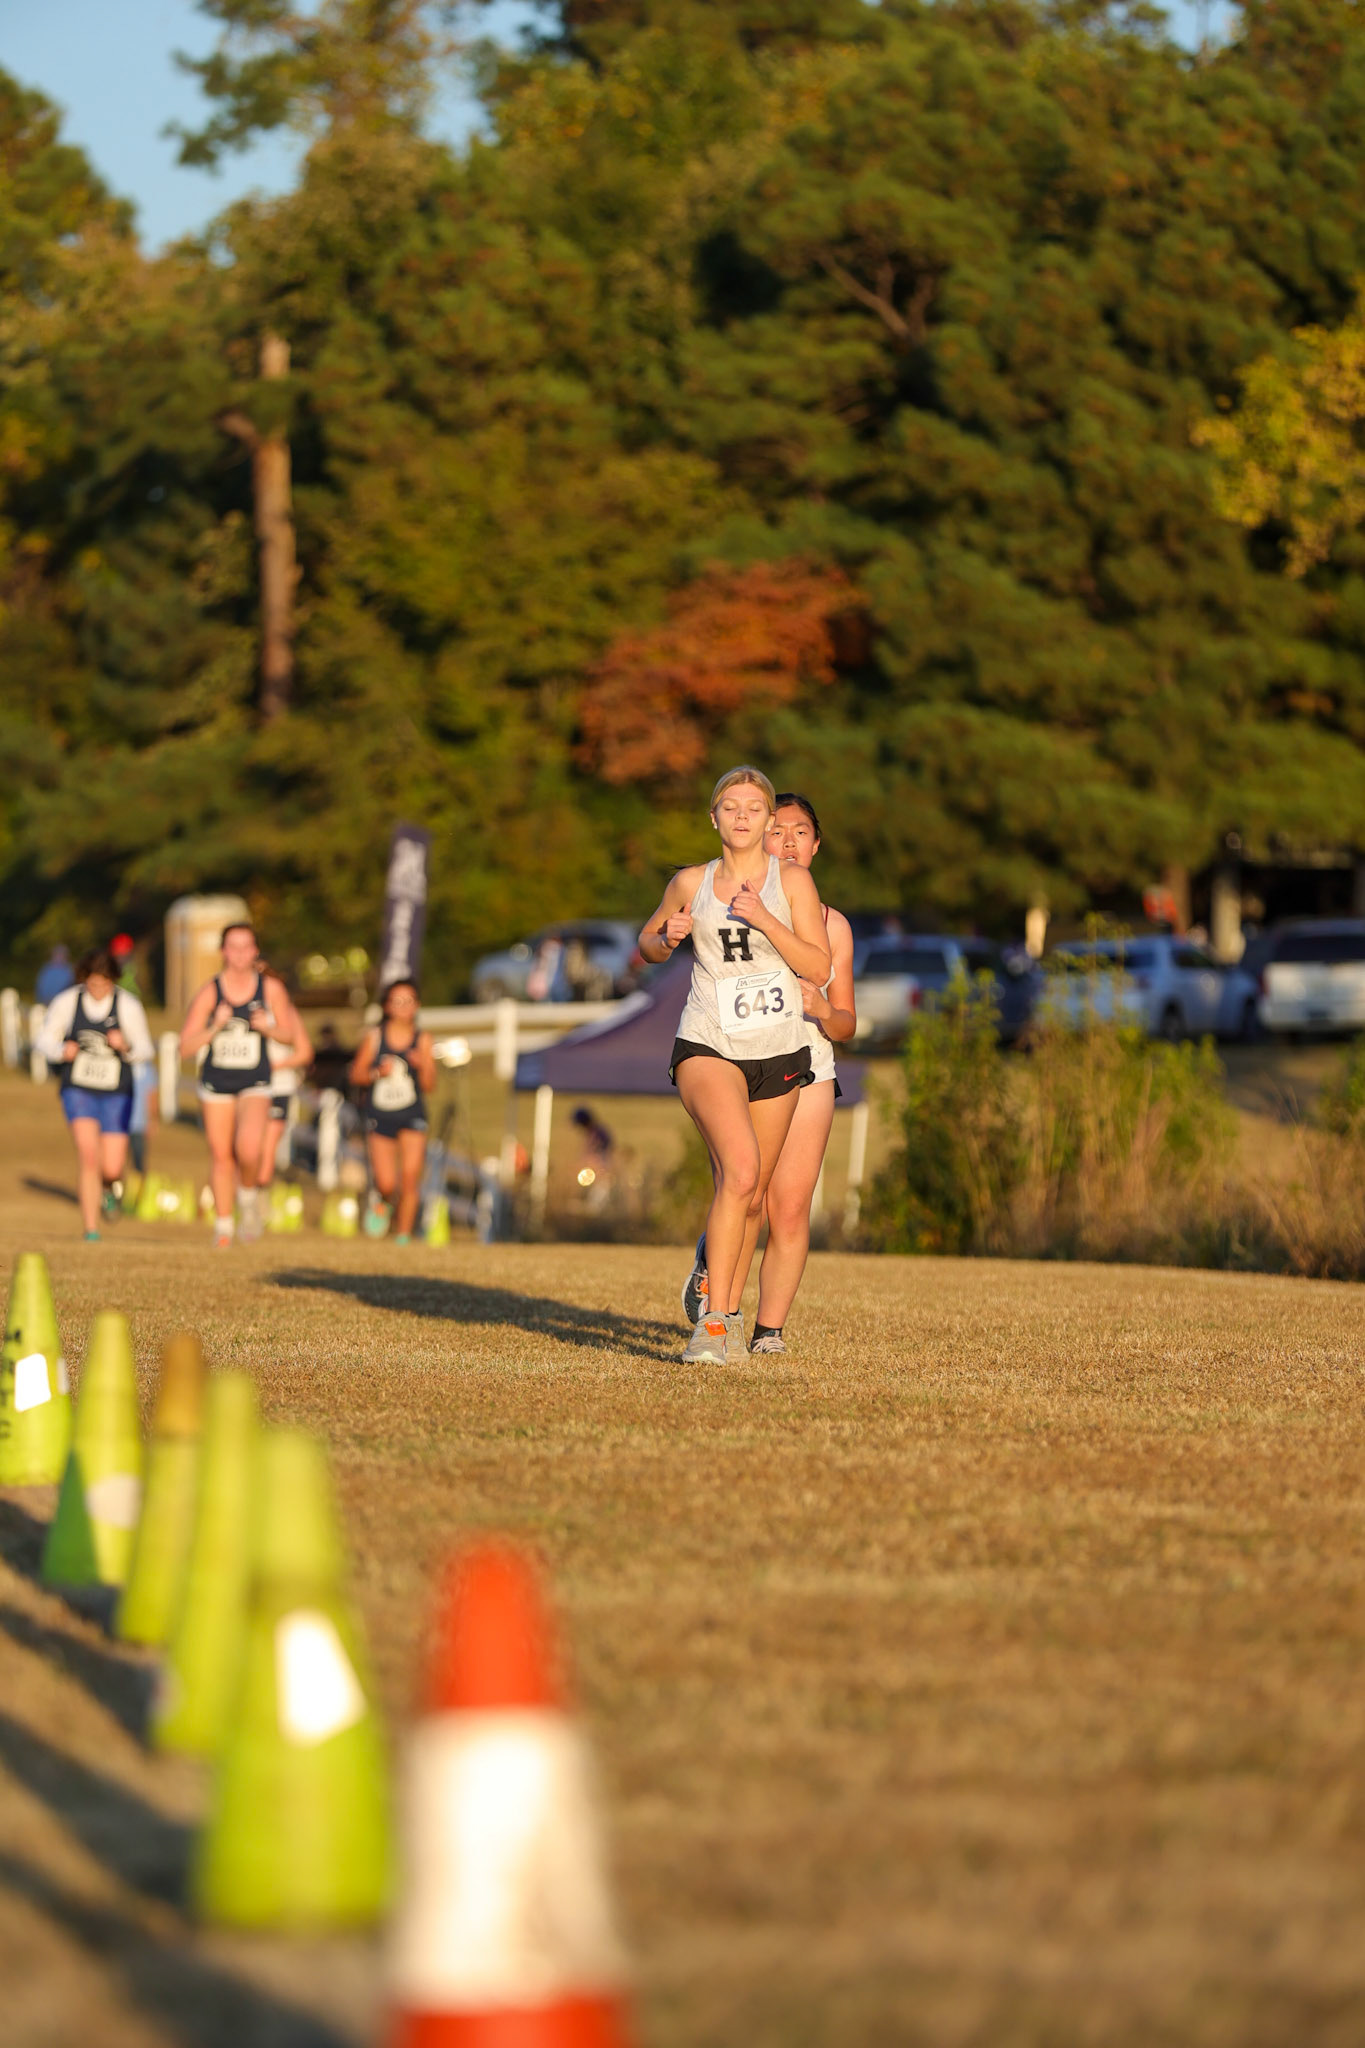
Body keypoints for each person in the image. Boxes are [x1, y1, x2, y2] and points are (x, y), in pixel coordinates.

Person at [638, 766, 831, 1364]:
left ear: (768, 820)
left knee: (752, 1197)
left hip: (778, 1050)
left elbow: (818, 967)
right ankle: (714, 1327)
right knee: (741, 1171)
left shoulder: (792, 882)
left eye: (754, 807)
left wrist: (766, 918)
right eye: (731, 806)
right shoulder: (690, 882)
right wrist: (665, 937)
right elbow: (643, 945)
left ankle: (725, 1300)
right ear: (714, 817)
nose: (742, 815)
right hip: (708, 1041)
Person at [681, 793, 857, 1352]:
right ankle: (720, 1302)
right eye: (776, 831)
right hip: (742, 1057)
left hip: (812, 1065)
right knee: (746, 1187)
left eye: (800, 832)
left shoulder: (833, 924)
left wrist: (826, 1011)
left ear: (817, 843)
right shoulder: (735, 900)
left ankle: (769, 1331)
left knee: (789, 1206)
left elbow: (848, 1021)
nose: (787, 842)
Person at [180, 923, 306, 1248]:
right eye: (232, 947)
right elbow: (185, 1047)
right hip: (217, 1081)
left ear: (255, 952)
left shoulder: (270, 989)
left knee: (248, 1148)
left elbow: (292, 1036)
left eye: (245, 947)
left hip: (256, 1080)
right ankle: (223, 1226)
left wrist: (269, 1028)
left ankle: (247, 1199)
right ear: (223, 951)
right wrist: (214, 1027)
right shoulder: (211, 991)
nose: (239, 954)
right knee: (222, 1155)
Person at [35, 947, 155, 1240]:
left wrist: (125, 1046)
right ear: (84, 980)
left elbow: (146, 1049)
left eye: (104, 984)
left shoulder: (127, 1005)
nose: (98, 991)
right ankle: (91, 1229)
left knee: (111, 1166)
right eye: (92, 984)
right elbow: (42, 1041)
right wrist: (62, 1050)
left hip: (117, 1091)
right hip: (79, 1089)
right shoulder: (68, 1002)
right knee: (88, 1156)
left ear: (113, 981)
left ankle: (109, 1188)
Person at [348, 979, 436, 1244]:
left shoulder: (423, 1039)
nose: (403, 1006)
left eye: (408, 1000)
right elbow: (356, 1074)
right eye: (397, 1001)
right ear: (387, 1006)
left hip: (412, 1113)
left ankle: (403, 1236)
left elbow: (430, 1086)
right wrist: (377, 1073)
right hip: (381, 1114)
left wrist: (423, 1066)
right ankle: (384, 1203)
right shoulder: (375, 1037)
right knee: (386, 1182)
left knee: (410, 1177)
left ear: (417, 1005)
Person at [257, 957, 314, 1197]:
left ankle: (258, 1199)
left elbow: (304, 1053)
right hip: (244, 1085)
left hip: (278, 1087)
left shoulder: (286, 1010)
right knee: (245, 1146)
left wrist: (275, 1065)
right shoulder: (237, 1007)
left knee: (267, 1147)